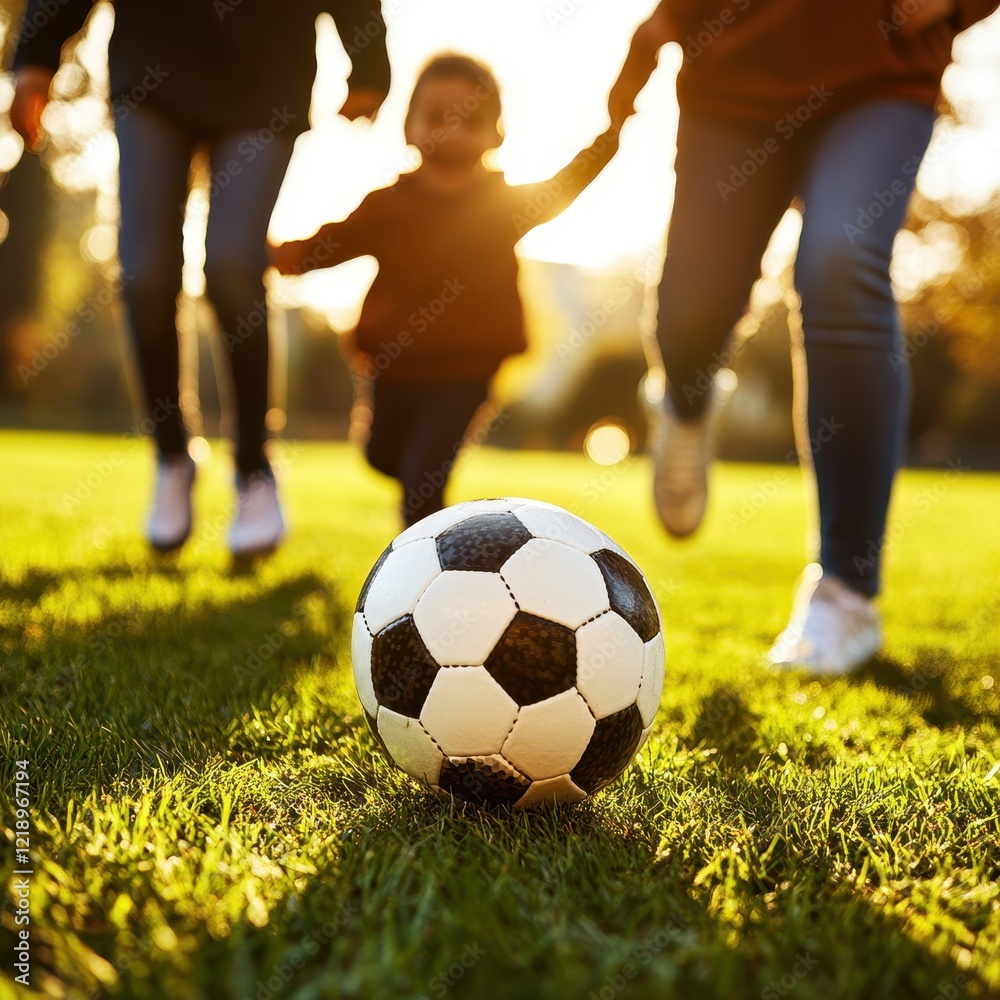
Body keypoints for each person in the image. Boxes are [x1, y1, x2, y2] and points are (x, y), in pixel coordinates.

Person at [610, 0, 998, 672]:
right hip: (732, 76)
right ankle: (686, 401)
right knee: (691, 319)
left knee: (841, 263)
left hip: (880, 66)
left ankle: (846, 592)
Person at [10, 1, 390, 554]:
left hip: (266, 74)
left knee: (234, 266)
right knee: (145, 273)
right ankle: (172, 457)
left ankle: (255, 470)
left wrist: (369, 61)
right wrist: (36, 57)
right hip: (154, 63)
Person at [270, 54, 642, 527]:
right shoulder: (387, 206)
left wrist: (610, 137)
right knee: (382, 457)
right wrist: (271, 257)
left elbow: (564, 185)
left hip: (467, 369)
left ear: (495, 134)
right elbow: (328, 245)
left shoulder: (503, 205)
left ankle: (427, 572)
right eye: (435, 118)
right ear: (409, 126)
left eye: (469, 121)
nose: (450, 132)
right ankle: (419, 512)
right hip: (394, 367)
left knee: (423, 475)